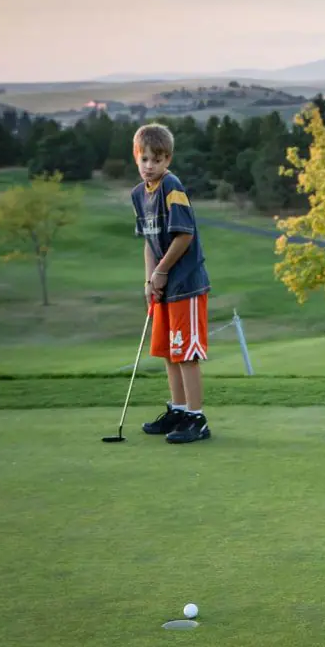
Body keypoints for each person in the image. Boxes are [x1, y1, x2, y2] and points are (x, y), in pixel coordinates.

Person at [130, 123, 212, 444]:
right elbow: (149, 241)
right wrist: (150, 279)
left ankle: (196, 418)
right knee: (169, 350)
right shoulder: (139, 195)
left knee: (185, 353)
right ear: (136, 158)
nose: (150, 166)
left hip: (186, 285)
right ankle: (178, 410)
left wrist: (162, 272)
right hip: (164, 286)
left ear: (168, 160)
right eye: (144, 159)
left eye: (157, 160)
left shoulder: (172, 186)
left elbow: (184, 235)